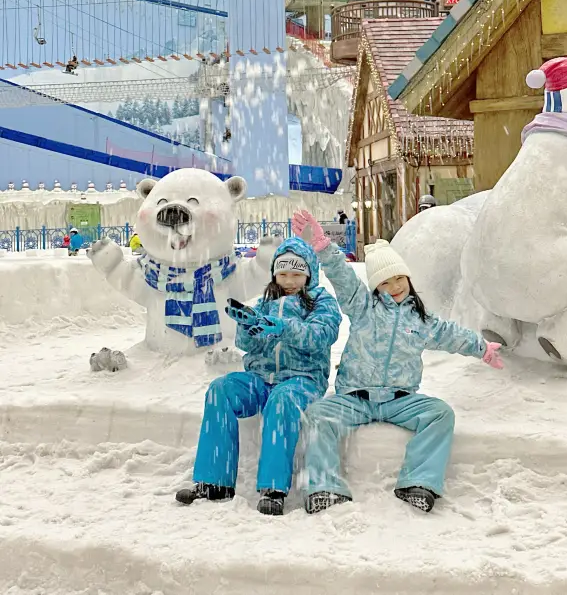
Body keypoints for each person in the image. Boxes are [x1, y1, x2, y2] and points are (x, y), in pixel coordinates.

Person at [291, 210, 503, 516]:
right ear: (377, 286)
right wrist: (323, 246)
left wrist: (481, 348)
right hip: (355, 398)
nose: (396, 286)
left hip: (400, 400)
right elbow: (342, 275)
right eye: (386, 281)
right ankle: (325, 486)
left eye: (400, 278)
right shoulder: (362, 306)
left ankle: (418, 481)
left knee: (440, 414)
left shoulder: (420, 320)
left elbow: (449, 334)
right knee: (317, 415)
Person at [175, 237, 341, 516]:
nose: (289, 280)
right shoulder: (266, 302)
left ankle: (274, 488)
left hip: (301, 380)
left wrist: (281, 327)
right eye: (283, 273)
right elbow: (246, 345)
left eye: (297, 274)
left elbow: (321, 336)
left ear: (309, 274)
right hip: (260, 379)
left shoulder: (321, 302)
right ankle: (214, 481)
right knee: (220, 389)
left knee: (282, 399)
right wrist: (249, 327)